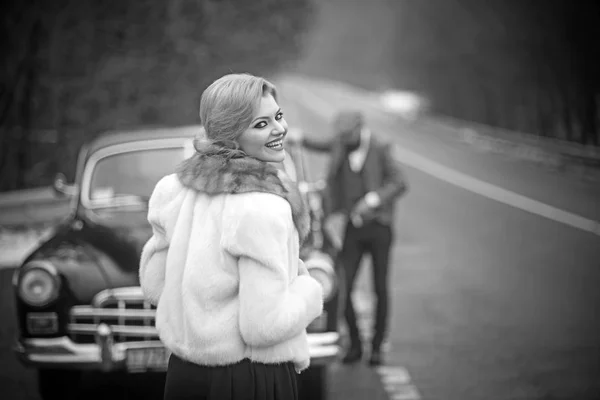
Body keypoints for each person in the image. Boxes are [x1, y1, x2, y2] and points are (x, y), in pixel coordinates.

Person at [139, 73, 324, 400]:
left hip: (184, 374)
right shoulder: (263, 207)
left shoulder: (173, 190)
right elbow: (264, 326)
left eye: (278, 117)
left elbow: (154, 284)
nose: (279, 129)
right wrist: (308, 290)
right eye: (261, 124)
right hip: (250, 377)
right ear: (230, 137)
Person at [289, 110, 408, 366]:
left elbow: (399, 182)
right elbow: (316, 143)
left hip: (379, 227)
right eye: (340, 135)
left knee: (380, 288)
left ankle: (376, 348)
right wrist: (295, 136)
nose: (343, 139)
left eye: (348, 134)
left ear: (359, 129)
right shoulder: (340, 144)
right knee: (342, 285)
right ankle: (354, 344)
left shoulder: (380, 147)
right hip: (350, 229)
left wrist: (373, 200)